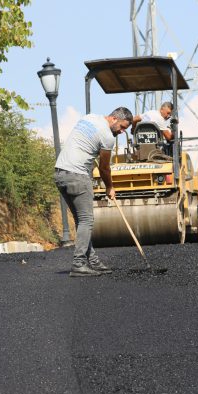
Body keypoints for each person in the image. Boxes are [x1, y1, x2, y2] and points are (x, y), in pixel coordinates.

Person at [54, 107, 133, 277]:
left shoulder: (89, 117)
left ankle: (93, 261)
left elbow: (83, 143)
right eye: (122, 127)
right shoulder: (107, 137)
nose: (122, 131)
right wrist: (110, 187)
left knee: (81, 220)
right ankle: (79, 263)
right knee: (86, 220)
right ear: (114, 118)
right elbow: (104, 168)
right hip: (77, 176)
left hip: (60, 174)